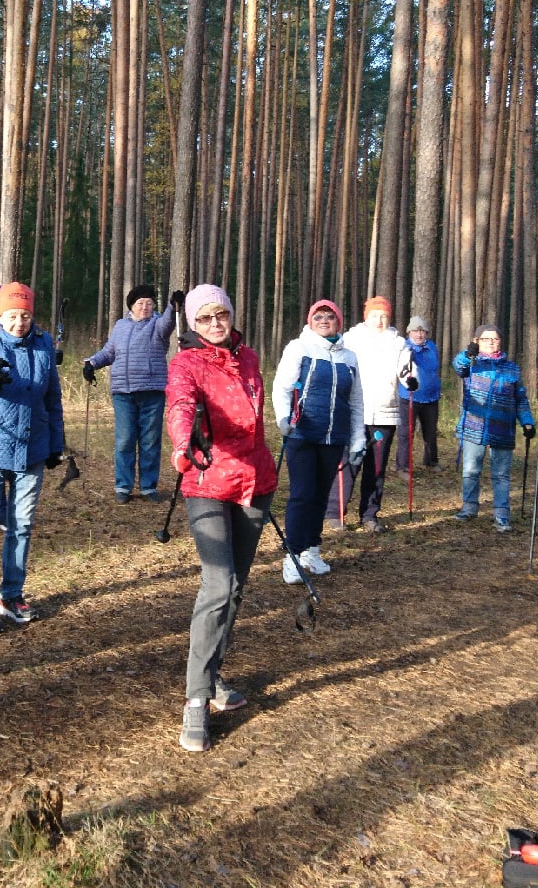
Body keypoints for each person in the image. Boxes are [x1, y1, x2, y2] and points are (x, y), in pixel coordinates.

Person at [164, 285, 278, 753]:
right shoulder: (186, 363)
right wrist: (182, 441)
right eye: (205, 317)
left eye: (222, 314)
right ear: (193, 323)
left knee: (236, 587)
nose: (215, 323)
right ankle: (195, 699)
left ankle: (212, 675)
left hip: (255, 482)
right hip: (206, 480)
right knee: (219, 583)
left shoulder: (249, 358)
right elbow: (179, 404)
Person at [0, 281, 65, 634]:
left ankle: (12, 594)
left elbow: (52, 397)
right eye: (12, 316)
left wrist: (56, 444)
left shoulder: (43, 343)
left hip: (33, 445)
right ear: (0, 316)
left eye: (25, 316)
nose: (19, 323)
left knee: (22, 524)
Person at [272, 299, 365, 582]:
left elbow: (356, 401)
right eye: (318, 316)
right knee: (302, 494)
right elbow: (282, 387)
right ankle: (292, 555)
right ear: (310, 322)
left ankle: (311, 549)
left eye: (330, 316)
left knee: (321, 495)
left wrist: (358, 439)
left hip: (334, 437)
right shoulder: (299, 348)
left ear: (339, 322)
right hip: (302, 434)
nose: (324, 321)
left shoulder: (349, 357)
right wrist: (283, 419)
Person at [83, 284, 183, 502]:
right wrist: (91, 363)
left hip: (152, 391)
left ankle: (148, 487)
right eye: (140, 303)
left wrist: (172, 306)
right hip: (123, 393)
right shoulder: (120, 326)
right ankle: (123, 486)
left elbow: (168, 323)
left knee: (150, 441)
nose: (145, 307)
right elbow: (109, 352)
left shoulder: (157, 324)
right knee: (124, 440)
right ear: (131, 306)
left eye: (149, 303)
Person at [452, 322, 535, 533]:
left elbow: (520, 398)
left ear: (500, 342)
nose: (491, 342)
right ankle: (469, 508)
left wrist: (527, 421)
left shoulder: (511, 368)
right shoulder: (472, 363)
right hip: (474, 425)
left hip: (503, 428)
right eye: (486, 339)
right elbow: (458, 366)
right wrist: (467, 353)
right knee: (471, 470)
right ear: (477, 341)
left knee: (501, 474)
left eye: (495, 339)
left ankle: (502, 515)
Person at [341, 295, 414, 531]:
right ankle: (336, 512)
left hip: (385, 414)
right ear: (366, 317)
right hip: (354, 412)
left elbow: (406, 370)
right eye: (374, 315)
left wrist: (411, 380)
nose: (379, 320)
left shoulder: (398, 343)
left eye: (383, 316)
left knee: (377, 467)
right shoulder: (351, 340)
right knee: (349, 463)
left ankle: (369, 515)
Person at [397, 316, 441, 470]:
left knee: (430, 431)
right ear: (409, 332)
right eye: (415, 331)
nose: (419, 334)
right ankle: (403, 465)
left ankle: (431, 461)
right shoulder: (404, 349)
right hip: (409, 397)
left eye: (422, 331)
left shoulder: (432, 347)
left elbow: (434, 368)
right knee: (406, 432)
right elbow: (401, 371)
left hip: (431, 397)